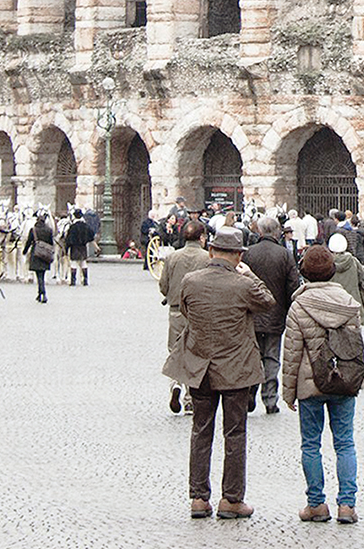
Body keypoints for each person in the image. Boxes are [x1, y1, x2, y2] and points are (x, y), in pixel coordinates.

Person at [166, 226, 274, 520]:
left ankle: (199, 498)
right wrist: (247, 273)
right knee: (235, 433)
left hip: (200, 367)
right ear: (239, 255)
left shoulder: (191, 281)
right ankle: (231, 499)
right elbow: (268, 302)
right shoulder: (243, 284)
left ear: (211, 251)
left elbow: (187, 312)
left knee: (201, 431)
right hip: (236, 368)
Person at [280, 244, 364, 524]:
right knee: (345, 443)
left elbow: (292, 351)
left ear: (304, 273)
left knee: (310, 445)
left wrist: (288, 391)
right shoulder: (347, 302)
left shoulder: (299, 305)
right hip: (342, 381)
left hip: (310, 384)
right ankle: (347, 505)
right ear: (331, 271)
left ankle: (316, 504)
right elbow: (354, 345)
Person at [242, 215, 300, 415]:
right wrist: (288, 308)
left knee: (252, 355)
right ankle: (270, 399)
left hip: (252, 313)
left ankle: (250, 391)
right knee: (272, 358)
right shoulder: (285, 254)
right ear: (277, 233)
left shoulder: (248, 253)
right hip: (276, 313)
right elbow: (293, 285)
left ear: (259, 232)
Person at [160, 217, 211, 415]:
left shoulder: (172, 257)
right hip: (200, 312)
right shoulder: (207, 258)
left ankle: (176, 385)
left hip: (176, 310)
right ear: (202, 238)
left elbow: (163, 285)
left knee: (176, 350)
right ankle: (190, 398)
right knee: (196, 353)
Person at [25, 211, 56, 302]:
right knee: (42, 274)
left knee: (39, 276)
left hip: (36, 253)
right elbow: (51, 242)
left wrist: (25, 251)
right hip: (45, 254)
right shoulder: (49, 230)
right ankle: (40, 293)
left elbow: (28, 242)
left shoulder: (33, 229)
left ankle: (43, 293)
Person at [63, 209, 93, 286]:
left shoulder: (73, 227)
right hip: (83, 247)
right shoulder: (85, 226)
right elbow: (91, 235)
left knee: (73, 263)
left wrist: (66, 249)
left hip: (74, 247)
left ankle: (73, 280)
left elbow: (68, 240)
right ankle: (85, 280)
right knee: (83, 263)